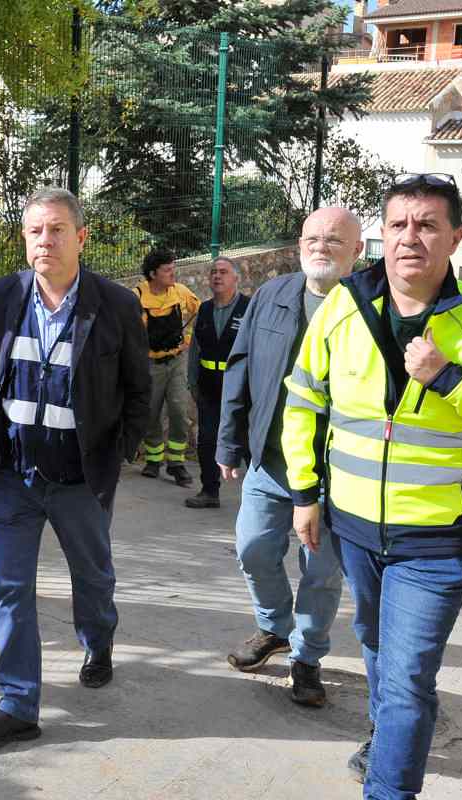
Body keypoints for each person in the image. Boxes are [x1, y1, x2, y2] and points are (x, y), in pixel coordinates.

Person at [283, 173, 462, 798]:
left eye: (428, 225)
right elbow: (303, 399)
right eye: (400, 225)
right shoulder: (344, 304)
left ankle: (389, 786)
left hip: (438, 537)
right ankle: (388, 743)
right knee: (381, 654)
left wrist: (453, 378)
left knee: (408, 674)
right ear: (383, 235)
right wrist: (305, 493)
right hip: (353, 526)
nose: (411, 237)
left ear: (456, 238)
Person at [0, 187, 151, 747]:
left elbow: (138, 390)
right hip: (13, 475)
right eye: (36, 231)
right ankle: (18, 702)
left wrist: (117, 451)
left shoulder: (114, 303)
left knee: (92, 578)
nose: (46, 241)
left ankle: (98, 639)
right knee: (11, 589)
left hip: (80, 478)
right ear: (25, 240)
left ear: (81, 237)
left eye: (58, 230)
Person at [215, 207, 359, 707]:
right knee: (253, 549)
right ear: (299, 244)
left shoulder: (370, 307)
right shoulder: (272, 296)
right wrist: (230, 442)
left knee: (320, 574)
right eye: (312, 237)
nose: (321, 246)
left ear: (357, 251)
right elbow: (240, 367)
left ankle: (307, 658)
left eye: (334, 240)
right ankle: (273, 626)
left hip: (336, 474)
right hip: (270, 461)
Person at [185, 256, 249, 509]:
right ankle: (209, 491)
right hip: (209, 388)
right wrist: (193, 383)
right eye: (213, 272)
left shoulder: (249, 308)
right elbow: (195, 350)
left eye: (223, 272)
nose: (217, 276)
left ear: (236, 278)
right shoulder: (205, 309)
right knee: (207, 440)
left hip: (241, 389)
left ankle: (260, 496)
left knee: (246, 442)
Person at [134, 249, 200, 486]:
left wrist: (188, 339)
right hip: (150, 365)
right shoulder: (137, 297)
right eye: (167, 270)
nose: (173, 273)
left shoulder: (180, 292)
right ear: (153, 273)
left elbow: (200, 312)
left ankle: (176, 464)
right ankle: (153, 460)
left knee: (179, 410)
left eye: (173, 268)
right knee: (151, 413)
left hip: (176, 362)